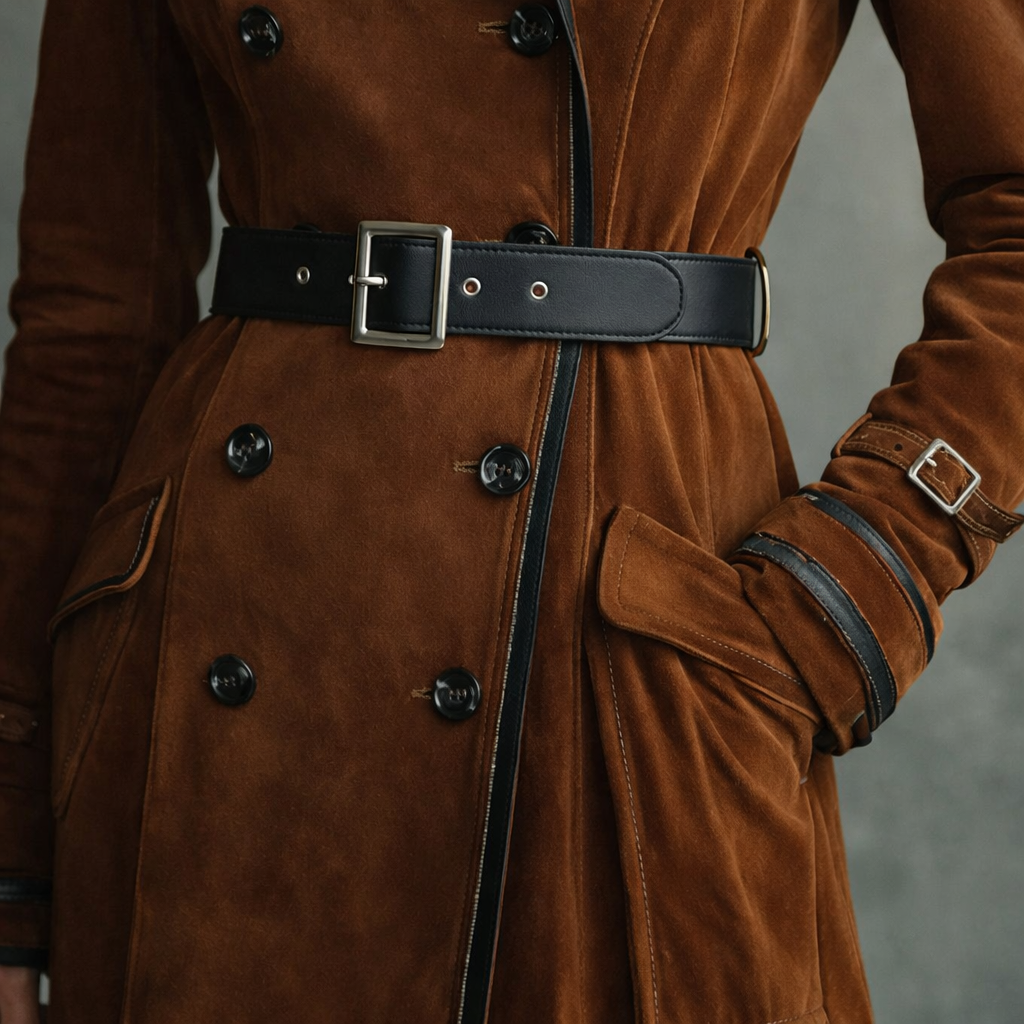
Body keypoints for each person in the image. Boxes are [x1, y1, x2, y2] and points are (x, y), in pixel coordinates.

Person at [1, 1, 1022, 1022]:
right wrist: (10, 852)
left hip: (618, 668)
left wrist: (848, 590)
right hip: (219, 679)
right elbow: (90, 316)